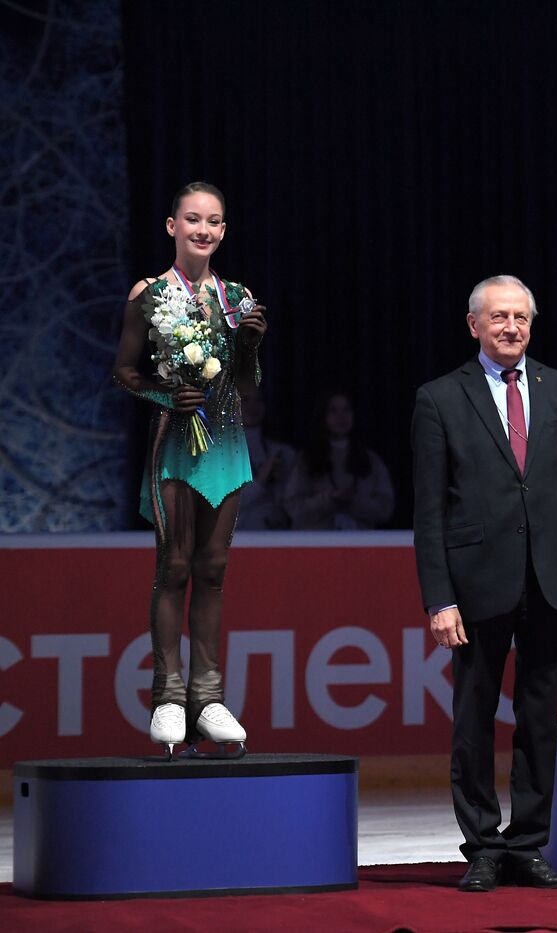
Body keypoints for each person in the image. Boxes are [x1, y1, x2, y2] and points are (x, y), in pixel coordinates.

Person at [412, 274, 557, 893]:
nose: (511, 327)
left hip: (553, 581)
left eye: (521, 317)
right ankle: (483, 847)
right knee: (473, 719)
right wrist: (439, 598)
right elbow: (430, 512)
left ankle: (527, 846)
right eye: (498, 317)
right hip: (475, 584)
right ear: (474, 325)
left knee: (539, 718)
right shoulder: (439, 398)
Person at [111, 181, 266, 756]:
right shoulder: (150, 294)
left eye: (214, 221)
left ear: (223, 232)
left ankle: (210, 694)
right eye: (192, 219)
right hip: (173, 443)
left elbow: (248, 387)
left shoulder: (237, 296)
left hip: (225, 444)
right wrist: (162, 397)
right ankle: (169, 694)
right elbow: (124, 370)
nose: (203, 229)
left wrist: (249, 346)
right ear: (172, 226)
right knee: (174, 565)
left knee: (215, 567)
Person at [285, 392, 396, 530]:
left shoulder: (371, 460)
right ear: (322, 416)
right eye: (333, 410)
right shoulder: (305, 459)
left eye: (346, 409)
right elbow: (294, 509)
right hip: (315, 545)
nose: (341, 416)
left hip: (359, 545)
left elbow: (385, 508)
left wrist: (353, 501)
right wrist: (329, 499)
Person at [237, 387, 295, 530]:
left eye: (259, 400)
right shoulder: (219, 453)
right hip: (240, 539)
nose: (253, 407)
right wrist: (261, 480)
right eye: (245, 401)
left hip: (278, 537)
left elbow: (292, 503)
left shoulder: (284, 452)